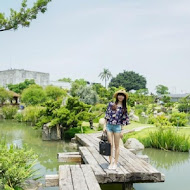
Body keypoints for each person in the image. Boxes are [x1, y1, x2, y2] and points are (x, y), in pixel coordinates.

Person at [103, 89, 129, 170]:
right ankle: (110, 162)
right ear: (117, 96)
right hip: (109, 126)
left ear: (124, 97)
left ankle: (115, 163)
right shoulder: (111, 104)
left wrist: (122, 131)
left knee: (117, 146)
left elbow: (124, 120)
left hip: (117, 127)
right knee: (110, 145)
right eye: (119, 95)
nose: (120, 96)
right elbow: (106, 116)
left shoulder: (124, 108)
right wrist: (104, 126)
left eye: (122, 95)